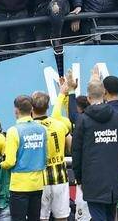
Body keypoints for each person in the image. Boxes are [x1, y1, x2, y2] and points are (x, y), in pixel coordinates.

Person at [72, 74, 118, 221]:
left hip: (92, 181)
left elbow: (77, 152)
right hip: (115, 180)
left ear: (88, 98)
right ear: (104, 94)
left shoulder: (83, 120)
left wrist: (79, 179)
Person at [1, 95, 47, 221]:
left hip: (19, 185)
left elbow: (10, 162)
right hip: (37, 184)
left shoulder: (13, 131)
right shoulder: (42, 129)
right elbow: (45, 156)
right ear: (31, 109)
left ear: (16, 110)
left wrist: (1, 164)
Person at [31, 91, 71, 221]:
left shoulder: (29, 128)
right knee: (62, 218)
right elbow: (71, 146)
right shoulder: (60, 125)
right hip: (59, 177)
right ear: (47, 107)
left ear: (32, 108)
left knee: (41, 218)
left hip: (39, 179)